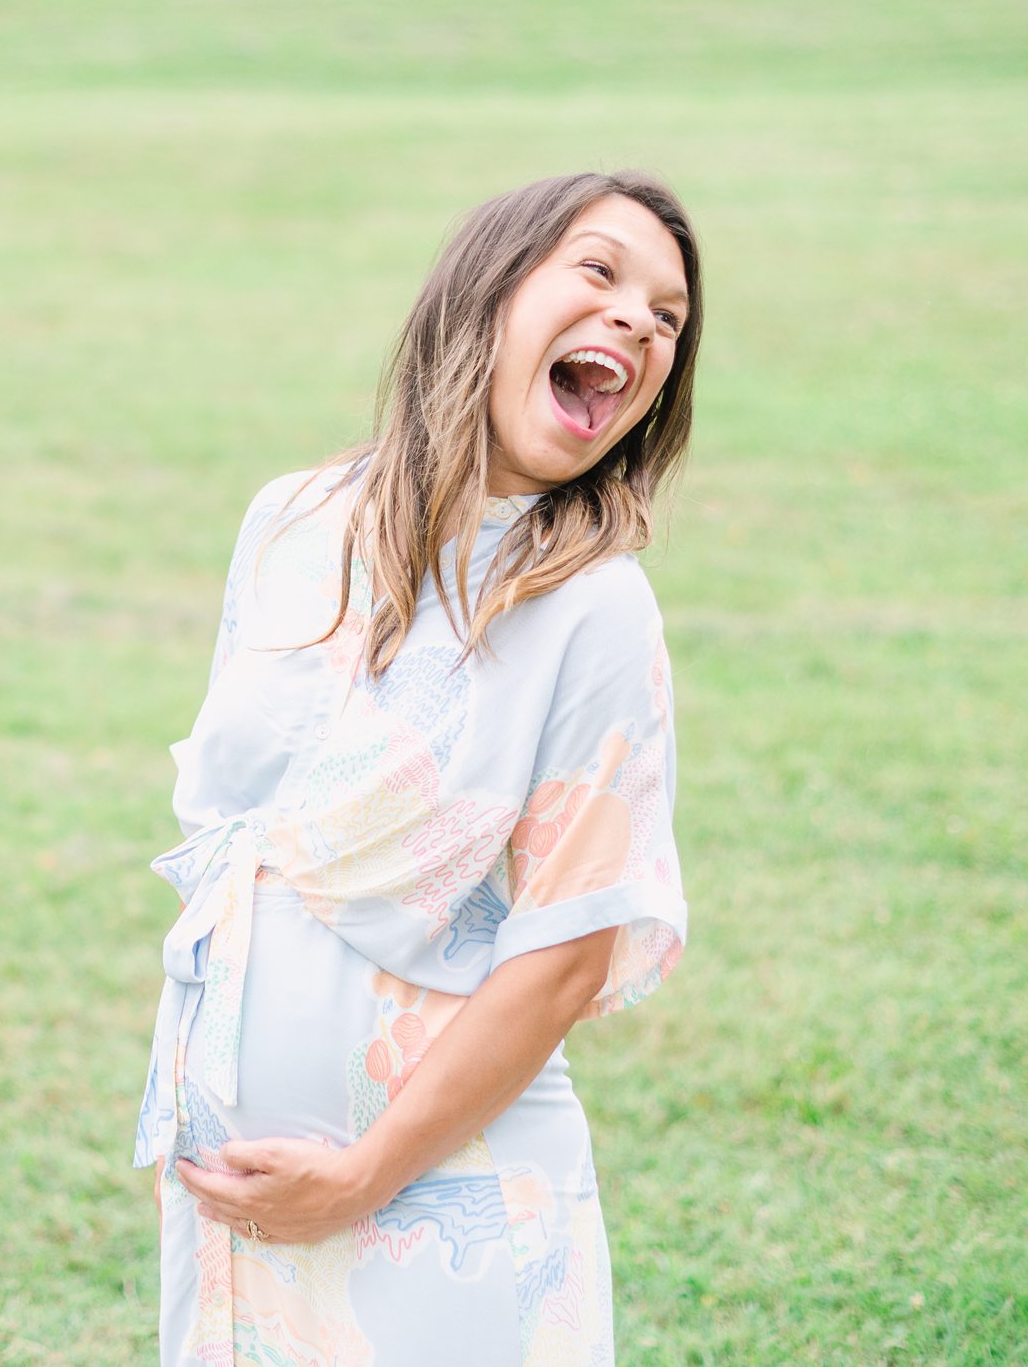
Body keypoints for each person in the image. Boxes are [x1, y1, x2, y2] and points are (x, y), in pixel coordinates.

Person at [131, 169, 705, 1365]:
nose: (639, 324)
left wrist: (361, 1175)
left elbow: (565, 957)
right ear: (489, 290)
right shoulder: (292, 521)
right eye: (601, 273)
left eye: (666, 319)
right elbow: (237, 855)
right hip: (242, 1194)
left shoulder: (595, 612)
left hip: (449, 1206)